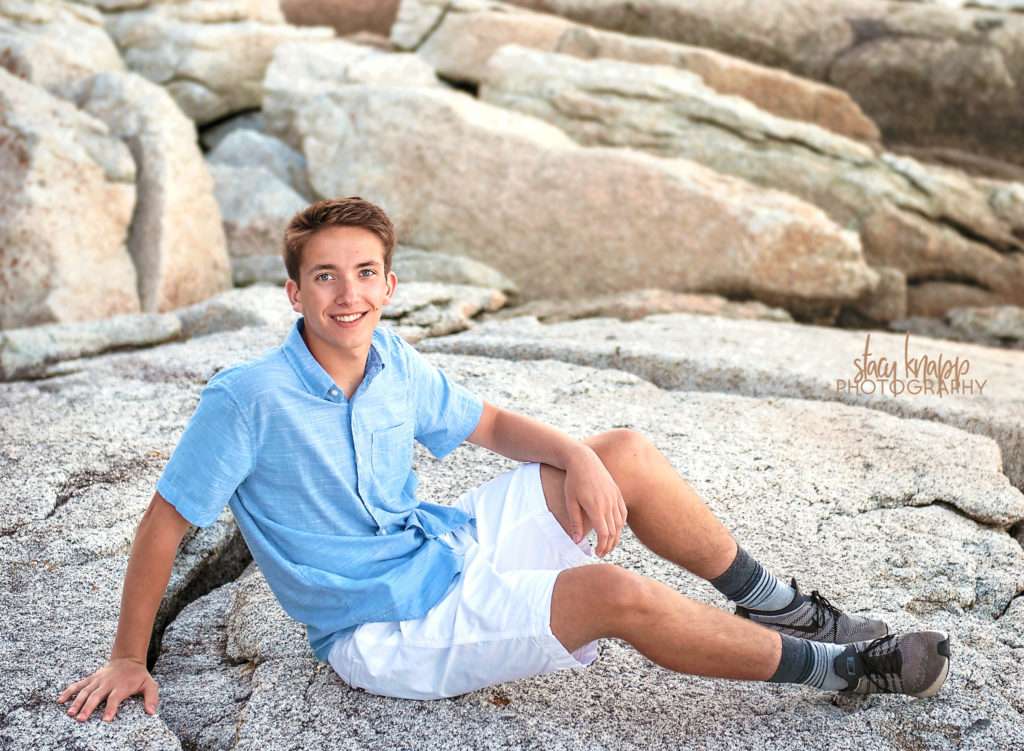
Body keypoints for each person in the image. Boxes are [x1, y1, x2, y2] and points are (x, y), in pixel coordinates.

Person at [58, 197, 950, 721]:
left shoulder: (393, 360)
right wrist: (130, 656)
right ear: (293, 292)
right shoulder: (246, 397)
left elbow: (486, 424)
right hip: (386, 629)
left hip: (444, 547)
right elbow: (164, 523)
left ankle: (790, 609)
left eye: (365, 272)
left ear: (390, 286)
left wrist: (578, 455)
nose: (347, 292)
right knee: (614, 595)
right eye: (325, 276)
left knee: (625, 452)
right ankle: (842, 670)